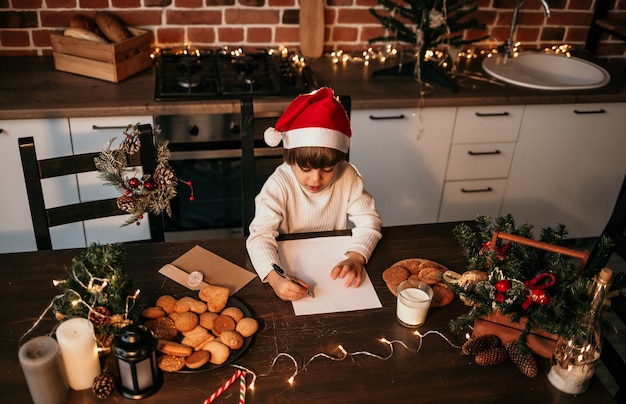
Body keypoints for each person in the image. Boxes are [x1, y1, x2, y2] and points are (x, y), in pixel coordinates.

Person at [246, 87, 383, 301]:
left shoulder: (349, 176)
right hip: (291, 262)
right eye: (306, 169)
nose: (316, 179)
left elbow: (370, 222)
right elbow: (259, 236)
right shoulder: (279, 184)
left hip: (333, 265)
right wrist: (274, 278)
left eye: (328, 169)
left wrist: (357, 257)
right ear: (291, 160)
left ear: (339, 161)